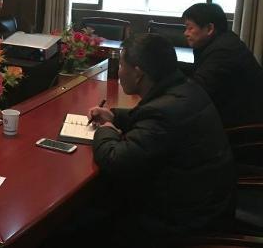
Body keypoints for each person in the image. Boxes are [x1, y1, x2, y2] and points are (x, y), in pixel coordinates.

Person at [87, 34, 234, 245]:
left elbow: (115, 159)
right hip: (206, 200)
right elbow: (150, 122)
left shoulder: (162, 113)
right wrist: (115, 117)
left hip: (180, 219)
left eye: (121, 65)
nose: (118, 72)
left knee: (91, 210)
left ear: (138, 73)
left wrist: (106, 129)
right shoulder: (184, 87)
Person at [182, 3, 263, 127]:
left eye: (190, 28)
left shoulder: (224, 51)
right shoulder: (222, 41)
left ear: (209, 28)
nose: (185, 33)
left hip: (244, 126)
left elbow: (198, 89)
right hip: (234, 114)